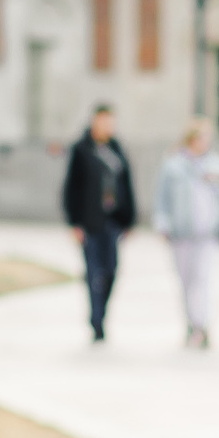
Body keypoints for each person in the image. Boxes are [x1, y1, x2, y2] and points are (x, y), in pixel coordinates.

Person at [62, 104, 137, 342]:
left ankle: (101, 313)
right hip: (90, 222)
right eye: (103, 121)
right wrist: (74, 223)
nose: (107, 127)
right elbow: (71, 188)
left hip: (113, 221)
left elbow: (127, 184)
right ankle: (96, 320)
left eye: (110, 122)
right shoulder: (82, 150)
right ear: (94, 122)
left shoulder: (117, 149)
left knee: (112, 270)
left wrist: (130, 219)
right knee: (94, 272)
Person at [157, 121, 219, 349]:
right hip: (182, 232)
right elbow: (162, 198)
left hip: (208, 233)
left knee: (205, 279)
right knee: (186, 281)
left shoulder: (216, 164)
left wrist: (218, 181)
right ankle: (191, 322)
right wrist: (163, 224)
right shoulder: (174, 165)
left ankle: (203, 324)